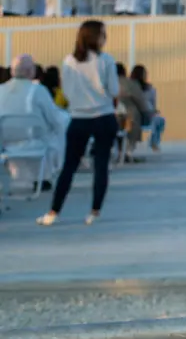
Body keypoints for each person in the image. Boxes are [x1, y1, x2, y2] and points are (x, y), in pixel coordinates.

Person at [37, 21, 122, 227]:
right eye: (103, 34)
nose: (105, 37)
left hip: (78, 118)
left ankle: (53, 211)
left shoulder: (68, 61)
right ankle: (94, 211)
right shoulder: (106, 60)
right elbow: (114, 90)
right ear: (96, 37)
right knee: (101, 165)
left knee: (69, 166)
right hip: (103, 116)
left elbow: (66, 91)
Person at [0, 54, 67, 192]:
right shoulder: (38, 90)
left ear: (12, 71)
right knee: (59, 127)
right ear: (32, 72)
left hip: (5, 143)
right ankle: (45, 176)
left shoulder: (1, 90)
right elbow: (54, 119)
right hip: (35, 142)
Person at [118, 63, 157, 160]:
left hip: (108, 116)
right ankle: (128, 152)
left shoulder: (104, 83)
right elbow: (140, 101)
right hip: (130, 117)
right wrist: (149, 113)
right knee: (133, 124)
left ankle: (119, 152)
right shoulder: (130, 84)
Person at [130, 65, 166, 151]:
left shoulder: (149, 89)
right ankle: (153, 142)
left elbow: (152, 105)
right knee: (159, 120)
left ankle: (153, 142)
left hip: (143, 116)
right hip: (136, 116)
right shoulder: (132, 88)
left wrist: (153, 111)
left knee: (159, 119)